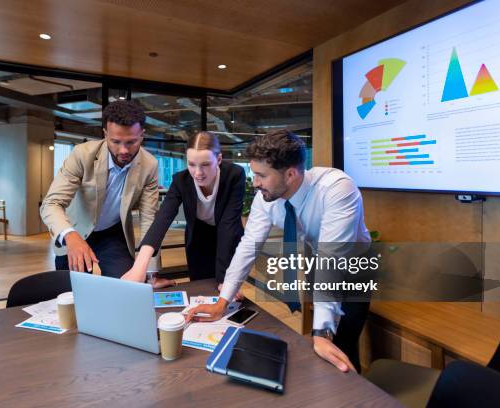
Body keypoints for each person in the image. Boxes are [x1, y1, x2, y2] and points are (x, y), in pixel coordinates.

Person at [186, 129, 371, 373]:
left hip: (354, 266)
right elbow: (247, 247)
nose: (255, 182)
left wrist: (322, 332)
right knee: (321, 342)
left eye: (261, 175)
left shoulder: (337, 189)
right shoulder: (266, 197)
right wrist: (223, 301)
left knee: (343, 344)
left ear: (291, 174)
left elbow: (331, 260)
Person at [40, 100, 159, 277]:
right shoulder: (82, 154)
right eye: (116, 141)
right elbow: (51, 204)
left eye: (131, 142)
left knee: (125, 286)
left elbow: (149, 219)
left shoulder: (150, 165)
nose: (124, 150)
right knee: (73, 291)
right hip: (75, 230)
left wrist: (150, 271)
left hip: (113, 233)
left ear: (142, 134)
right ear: (105, 134)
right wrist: (70, 236)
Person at [122, 131, 245, 296]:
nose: (198, 173)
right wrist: (139, 266)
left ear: (219, 159)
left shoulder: (234, 175)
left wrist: (225, 279)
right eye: (192, 164)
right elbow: (162, 220)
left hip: (229, 236)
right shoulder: (181, 181)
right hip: (199, 236)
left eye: (206, 164)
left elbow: (228, 226)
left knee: (226, 288)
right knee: (201, 289)